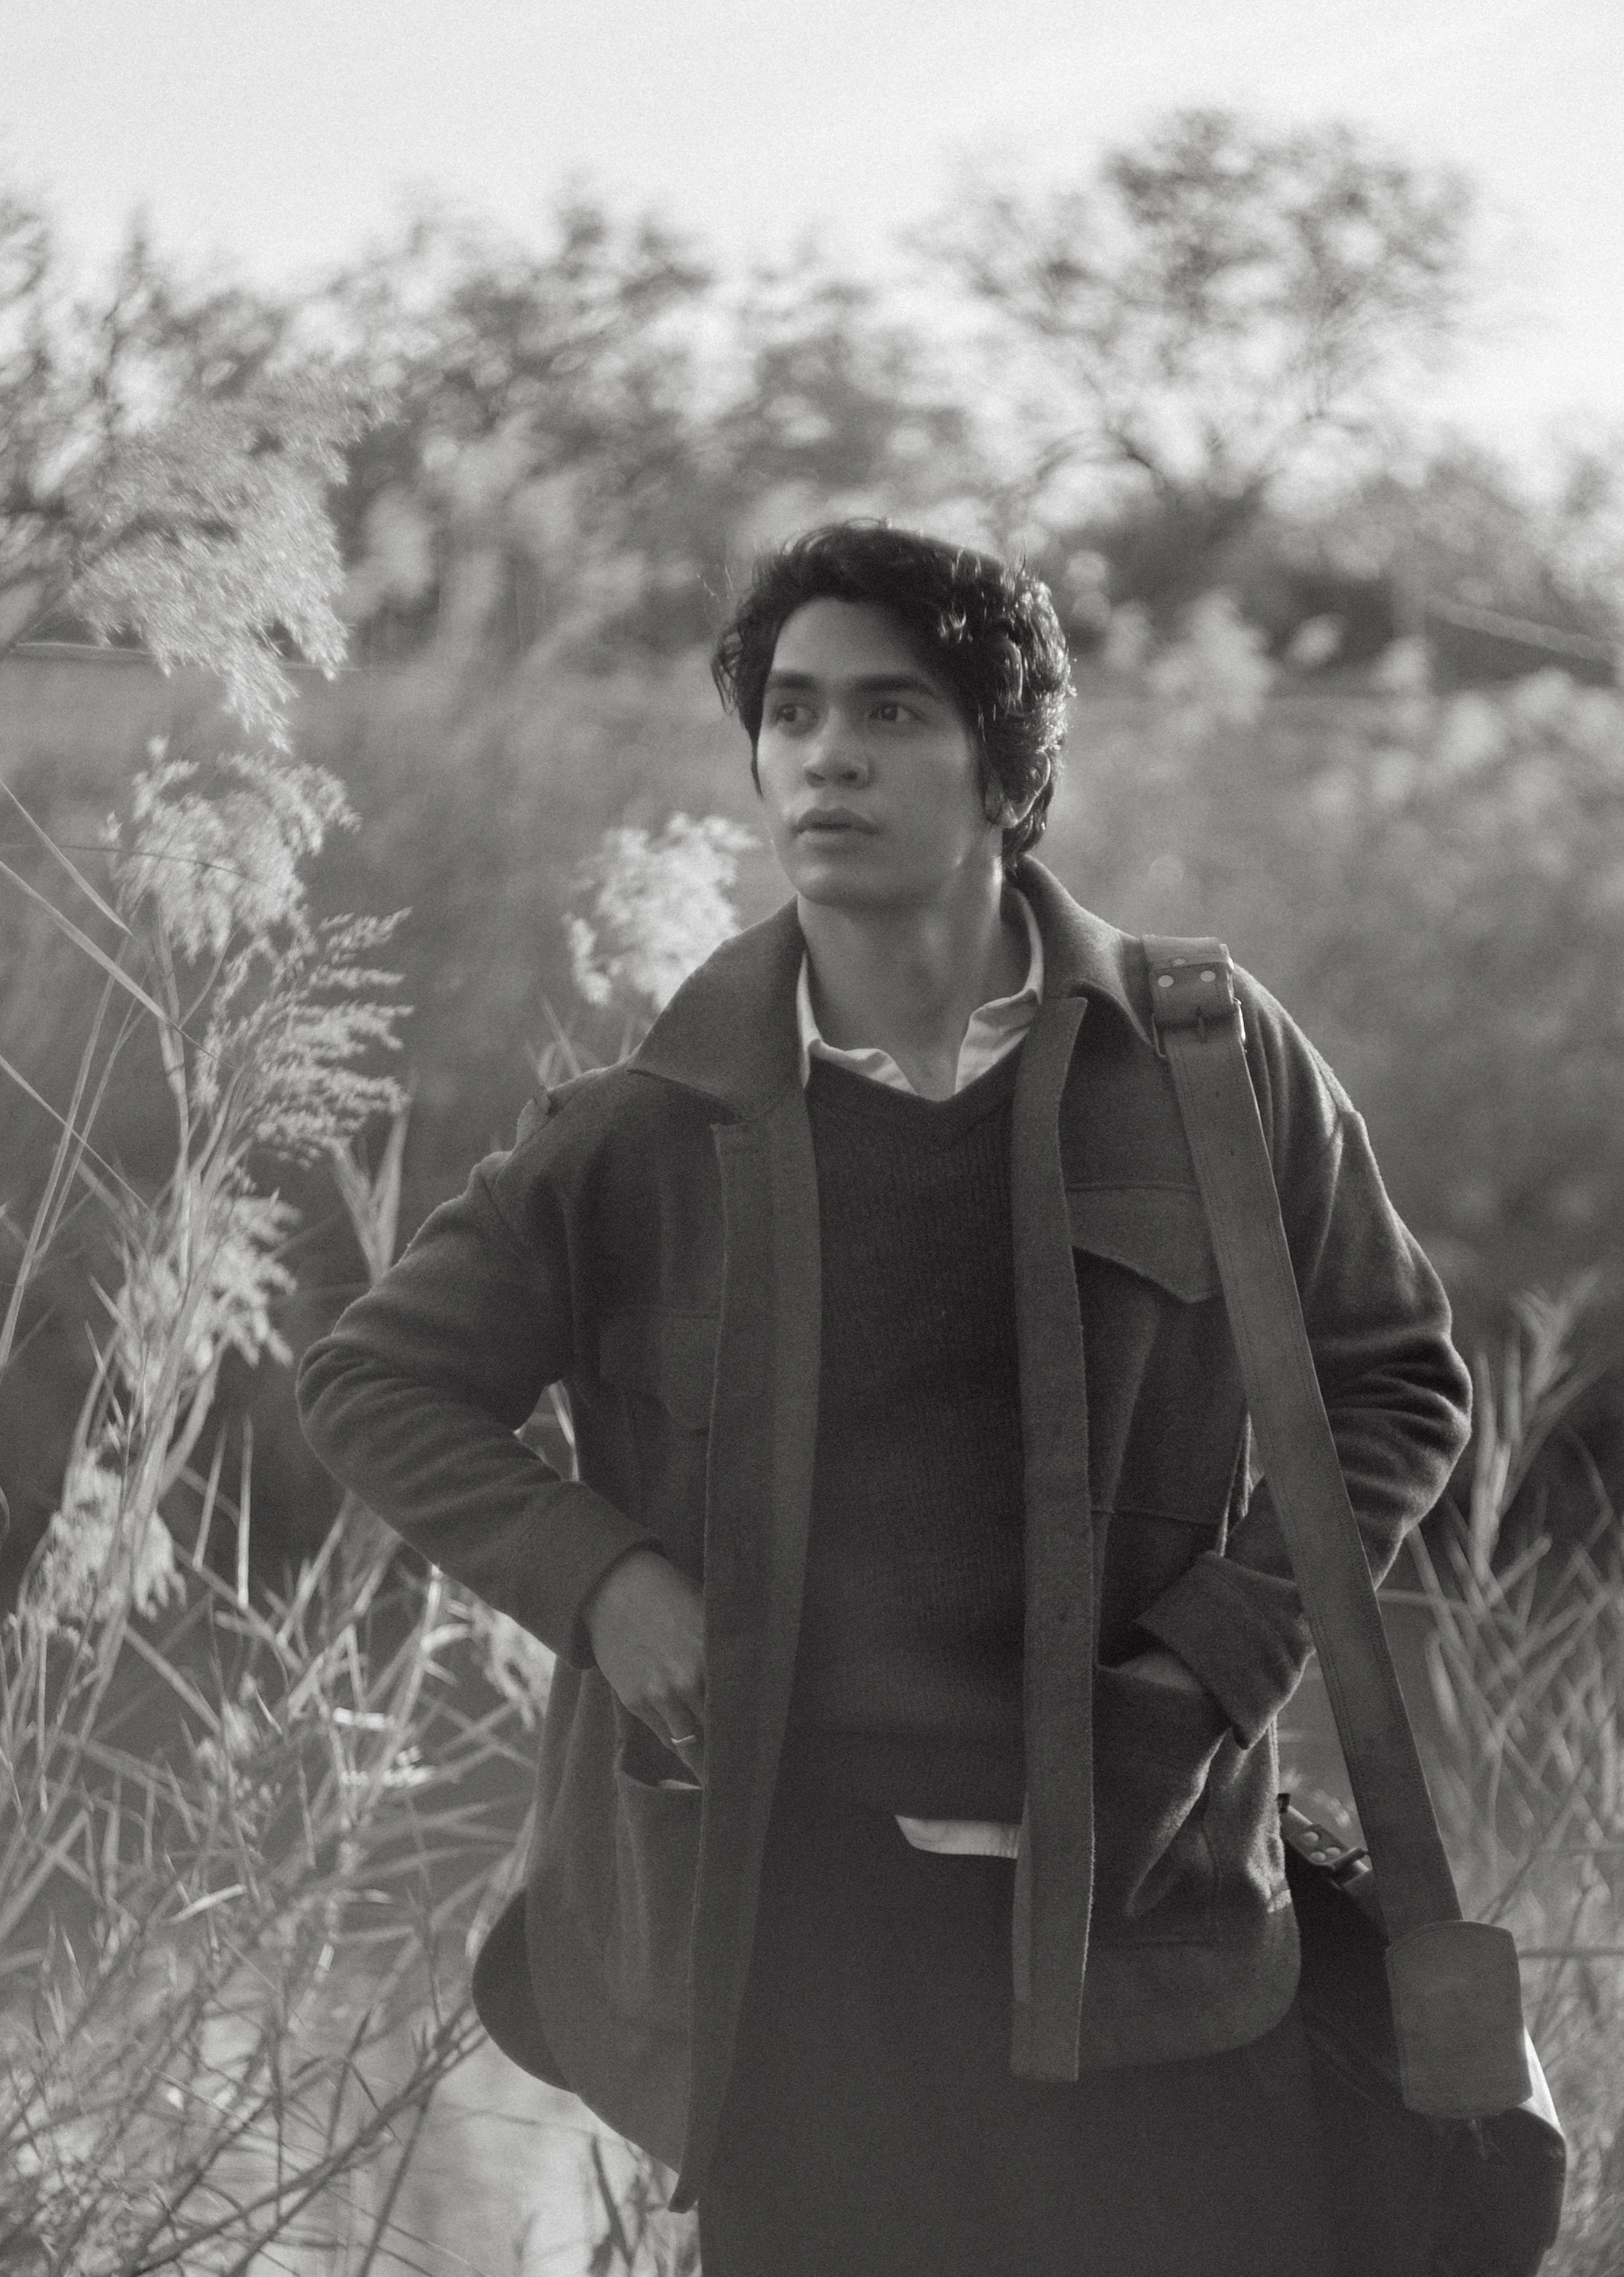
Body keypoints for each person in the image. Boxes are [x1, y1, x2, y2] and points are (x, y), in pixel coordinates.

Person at [297, 521, 1473, 2276]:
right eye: (790, 712)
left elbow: (1395, 1391)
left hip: (1152, 1922)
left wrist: (1211, 1667)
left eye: (894, 712)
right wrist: (609, 1588)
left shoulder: (1212, 1067)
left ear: (1008, 769)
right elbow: (375, 1378)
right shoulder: (647, 1126)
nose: (826, 754)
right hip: (794, 1963)